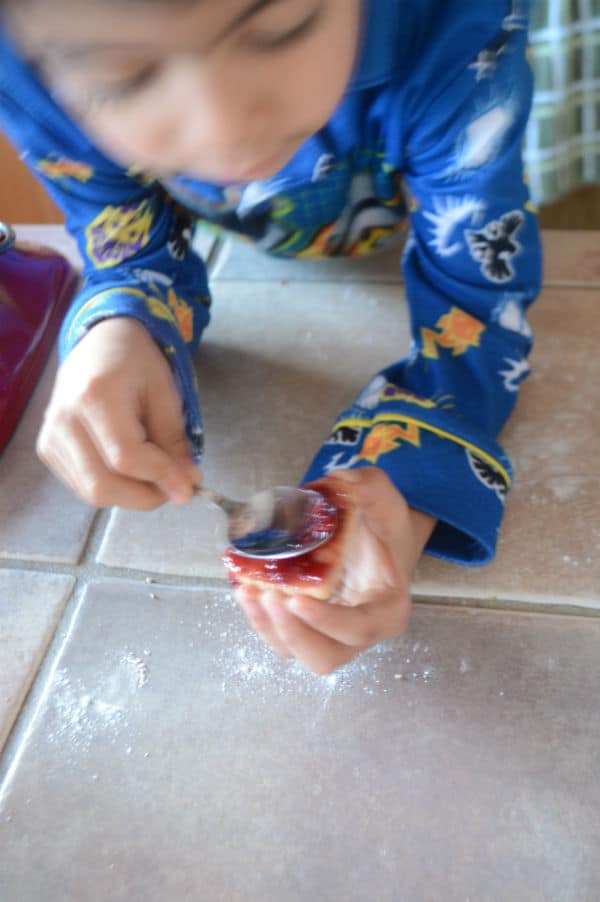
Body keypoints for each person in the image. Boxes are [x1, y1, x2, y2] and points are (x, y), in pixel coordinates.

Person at [0, 0, 541, 674]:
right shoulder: (26, 61)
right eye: (124, 76)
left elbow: (479, 307)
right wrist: (120, 324)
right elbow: (129, 246)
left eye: (282, 27)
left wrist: (407, 485)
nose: (225, 130)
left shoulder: (456, 25)